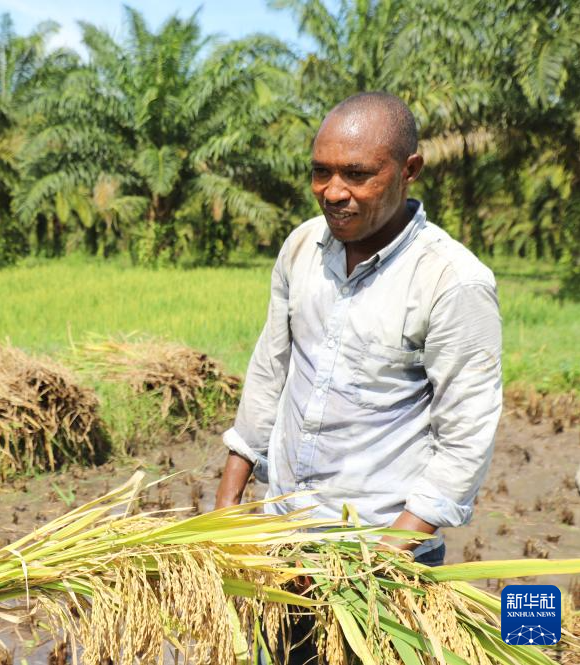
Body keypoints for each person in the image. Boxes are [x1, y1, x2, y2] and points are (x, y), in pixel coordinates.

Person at [215, 93, 502, 566]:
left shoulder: (451, 281)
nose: (332, 192)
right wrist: (228, 500)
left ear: (409, 170)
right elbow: (271, 369)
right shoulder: (302, 247)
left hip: (379, 557)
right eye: (320, 172)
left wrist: (379, 563)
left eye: (357, 174)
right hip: (281, 540)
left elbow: (465, 439)